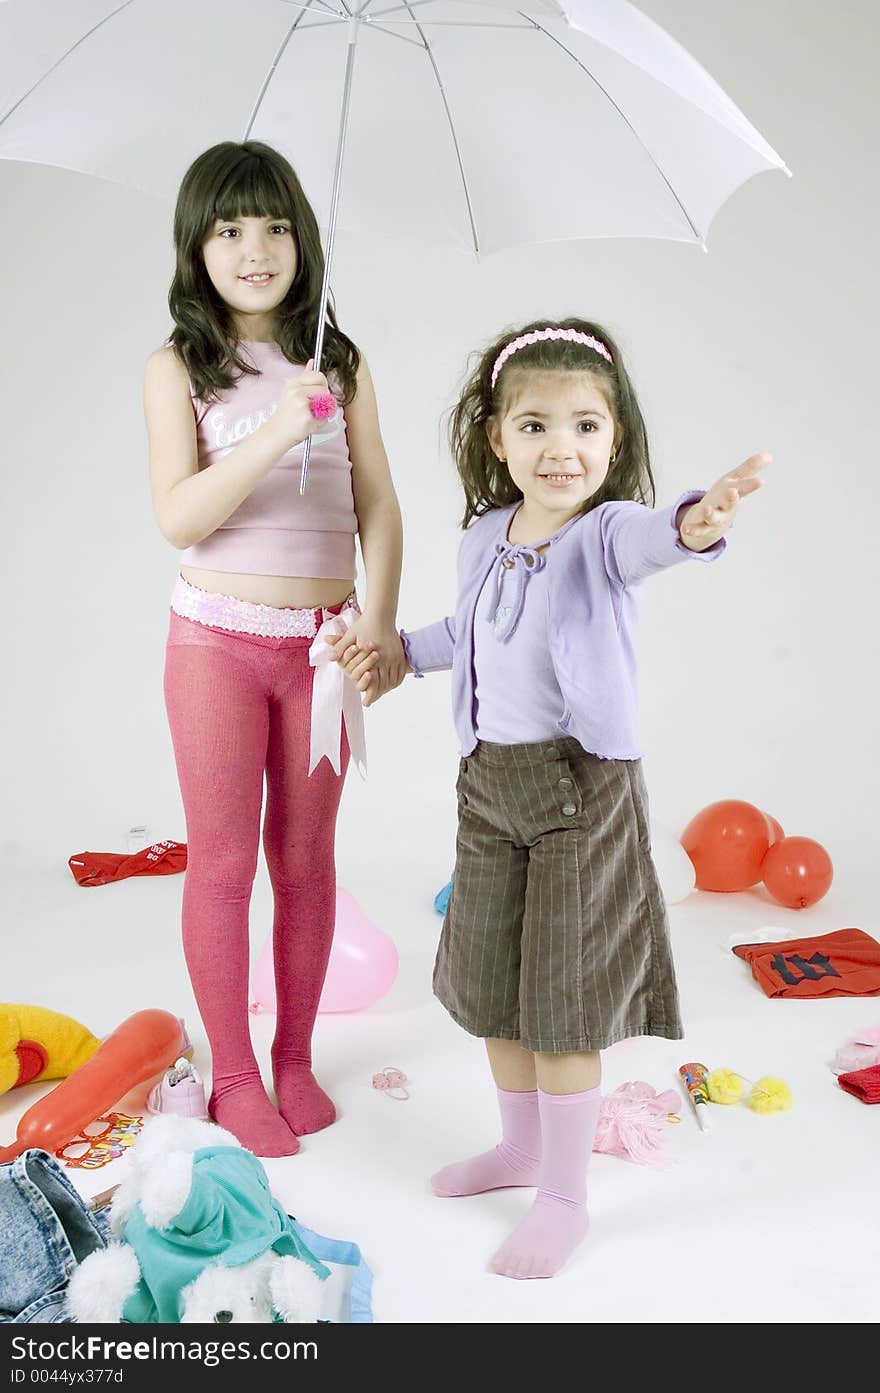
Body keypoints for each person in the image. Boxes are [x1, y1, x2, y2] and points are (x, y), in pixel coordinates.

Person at [332, 319, 769, 1276]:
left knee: (561, 997)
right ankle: (520, 1145)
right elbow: (470, 631)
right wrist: (400, 654)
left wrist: (699, 521)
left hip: (581, 791)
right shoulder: (486, 534)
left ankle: (565, 1193)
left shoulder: (608, 532)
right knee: (491, 981)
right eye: (533, 426)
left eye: (583, 426)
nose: (559, 448)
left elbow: (664, 539)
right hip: (488, 786)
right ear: (497, 439)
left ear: (614, 443)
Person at [145, 140, 405, 1158]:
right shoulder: (178, 367)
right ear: (196, 247)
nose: (256, 249)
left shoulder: (339, 361)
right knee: (221, 862)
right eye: (229, 229)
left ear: (304, 238)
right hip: (215, 641)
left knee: (305, 859)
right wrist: (271, 431)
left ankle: (293, 1059)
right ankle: (236, 1073)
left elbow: (379, 505)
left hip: (323, 651)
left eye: (276, 226)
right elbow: (178, 514)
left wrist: (376, 626)